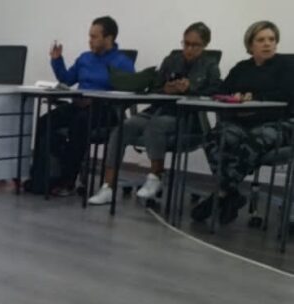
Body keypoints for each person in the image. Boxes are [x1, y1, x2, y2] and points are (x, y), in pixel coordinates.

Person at [88, 22, 221, 205]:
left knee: (156, 126)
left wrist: (191, 89)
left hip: (187, 116)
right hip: (158, 109)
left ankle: (155, 177)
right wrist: (166, 89)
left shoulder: (210, 66)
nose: (189, 49)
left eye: (195, 45)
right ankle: (108, 187)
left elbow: (216, 92)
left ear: (205, 45)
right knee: (123, 127)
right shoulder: (171, 61)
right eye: (186, 43)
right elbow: (154, 88)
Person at [191, 20, 294, 224]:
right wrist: (234, 96)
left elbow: (287, 95)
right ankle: (232, 195)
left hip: (280, 123)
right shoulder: (241, 68)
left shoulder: (288, 65)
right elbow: (222, 91)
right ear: (250, 44)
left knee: (254, 139)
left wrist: (254, 97)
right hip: (244, 122)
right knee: (214, 137)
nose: (267, 44)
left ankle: (221, 193)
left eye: (272, 39)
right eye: (261, 40)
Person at [31, 16, 135, 197]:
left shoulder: (122, 63)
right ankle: (41, 177)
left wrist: (97, 100)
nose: (90, 41)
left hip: (105, 110)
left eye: (94, 37)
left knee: (79, 123)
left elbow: (129, 94)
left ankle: (68, 181)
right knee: (45, 121)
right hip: (79, 105)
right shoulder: (85, 58)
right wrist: (57, 60)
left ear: (109, 38)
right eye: (89, 36)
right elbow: (67, 80)